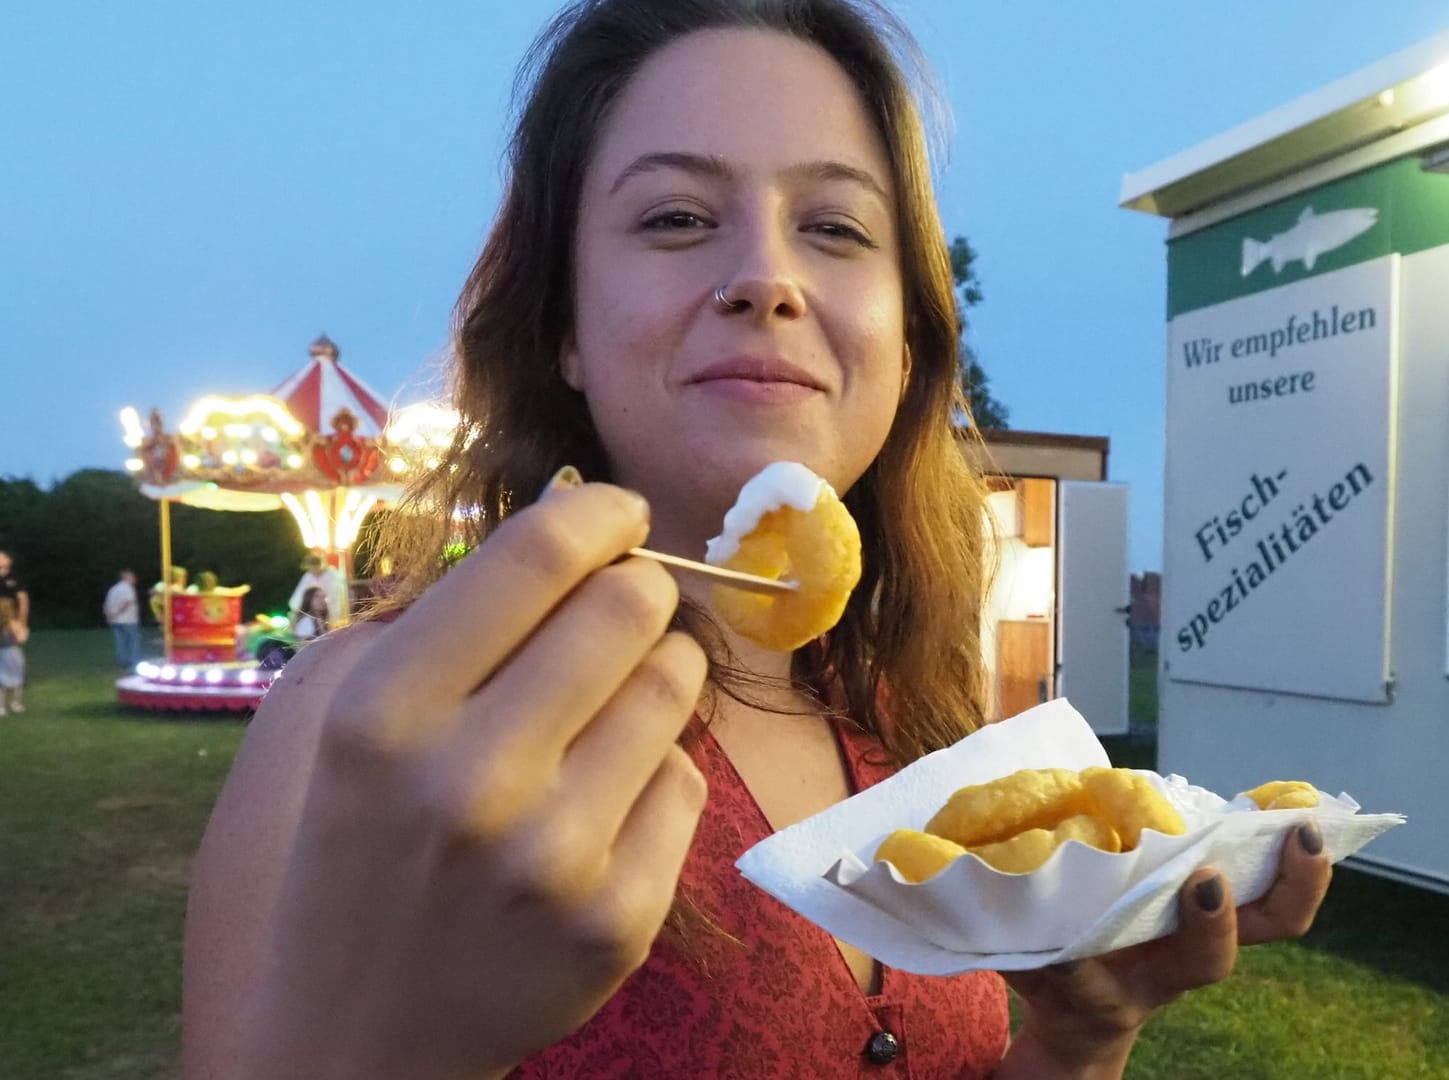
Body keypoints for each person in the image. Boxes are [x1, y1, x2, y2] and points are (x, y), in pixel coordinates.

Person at [181, 3, 1334, 1077]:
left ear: (908, 336)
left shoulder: (909, 722)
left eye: (835, 226)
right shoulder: (376, 725)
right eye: (677, 218)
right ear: (565, 329)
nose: (767, 278)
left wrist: (1083, 1033)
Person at [0, 552, 27, 714]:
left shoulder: (14, 579)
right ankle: (15, 703)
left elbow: (23, 600)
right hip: (10, 648)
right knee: (17, 674)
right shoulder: (11, 625)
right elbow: (20, 639)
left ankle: (1, 707)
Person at [105, 570, 142, 669]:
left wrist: (109, 617)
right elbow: (127, 602)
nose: (134, 579)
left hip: (115, 621)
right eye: (132, 577)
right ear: (127, 578)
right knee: (134, 641)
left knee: (120, 642)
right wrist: (118, 613)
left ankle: (123, 661)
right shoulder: (128, 588)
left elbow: (106, 604)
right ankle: (134, 662)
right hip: (128, 620)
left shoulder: (113, 589)